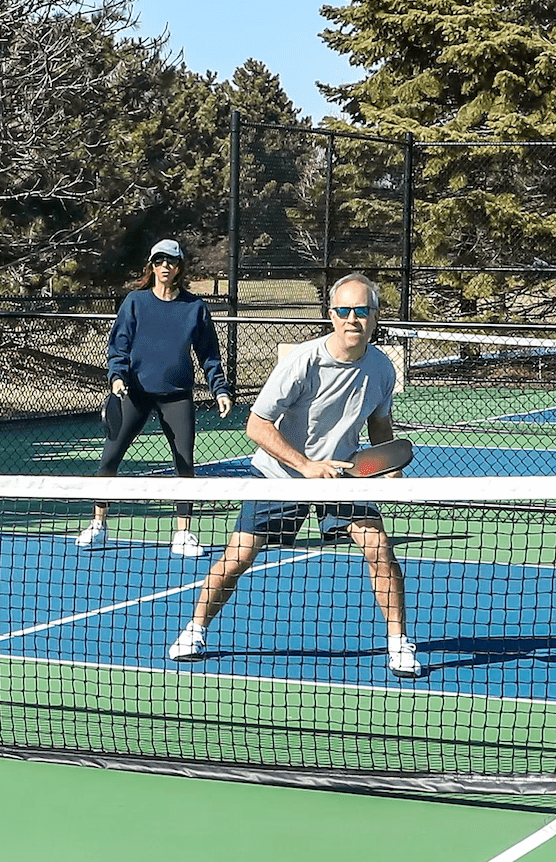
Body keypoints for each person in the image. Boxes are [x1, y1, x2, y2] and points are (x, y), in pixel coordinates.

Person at [166, 273, 420, 680]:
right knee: (238, 558)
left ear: (375, 317)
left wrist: (385, 468)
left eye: (361, 311)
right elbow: (257, 425)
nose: (352, 318)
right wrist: (305, 467)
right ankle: (194, 631)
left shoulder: (381, 368)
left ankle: (399, 644)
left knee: (378, 548)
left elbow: (379, 425)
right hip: (282, 473)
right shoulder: (302, 361)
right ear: (331, 315)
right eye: (343, 310)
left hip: (342, 474)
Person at [76, 238, 235, 557]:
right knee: (110, 458)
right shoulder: (135, 302)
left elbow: (209, 355)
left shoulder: (195, 308)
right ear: (152, 266)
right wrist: (117, 377)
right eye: (159, 261)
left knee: (184, 462)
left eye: (171, 261)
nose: (165, 266)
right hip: (134, 394)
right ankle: (98, 525)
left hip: (177, 397)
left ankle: (184, 533)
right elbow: (118, 346)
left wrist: (219, 389)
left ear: (179, 268)